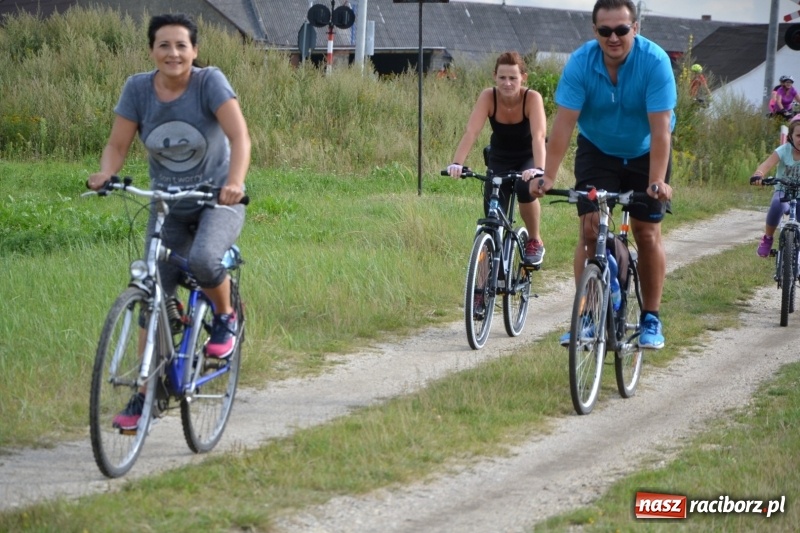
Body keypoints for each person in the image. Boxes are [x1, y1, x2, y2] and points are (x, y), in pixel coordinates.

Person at [86, 13, 251, 429]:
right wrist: (106, 173)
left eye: (181, 45)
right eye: (164, 45)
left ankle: (226, 316)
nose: (173, 53)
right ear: (151, 51)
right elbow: (117, 144)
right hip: (167, 205)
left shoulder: (209, 82)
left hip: (217, 200)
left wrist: (234, 183)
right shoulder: (137, 89)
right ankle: (147, 393)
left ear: (194, 51)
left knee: (204, 260)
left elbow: (239, 137)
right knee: (152, 293)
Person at [531, 0, 676, 350]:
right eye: (605, 30)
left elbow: (661, 131)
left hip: (645, 151)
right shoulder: (581, 62)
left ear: (635, 29)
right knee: (590, 229)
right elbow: (563, 126)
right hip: (598, 150)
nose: (614, 37)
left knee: (646, 232)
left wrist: (657, 181)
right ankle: (586, 316)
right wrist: (547, 177)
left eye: (621, 30)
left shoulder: (655, 62)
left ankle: (651, 318)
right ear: (594, 31)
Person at [447, 51, 548, 266]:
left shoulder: (532, 98)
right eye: (502, 77)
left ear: (523, 78)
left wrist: (539, 169)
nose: (507, 83)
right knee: (492, 215)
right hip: (500, 157)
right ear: (495, 76)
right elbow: (471, 132)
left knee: (525, 188)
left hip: (528, 157)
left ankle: (534, 240)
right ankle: (485, 275)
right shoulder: (488, 97)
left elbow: (539, 136)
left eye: (513, 78)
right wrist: (457, 163)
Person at [750, 119, 800, 257]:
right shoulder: (784, 150)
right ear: (790, 137)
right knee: (776, 203)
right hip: (783, 190)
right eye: (798, 135)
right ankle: (768, 238)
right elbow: (767, 165)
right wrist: (759, 175)